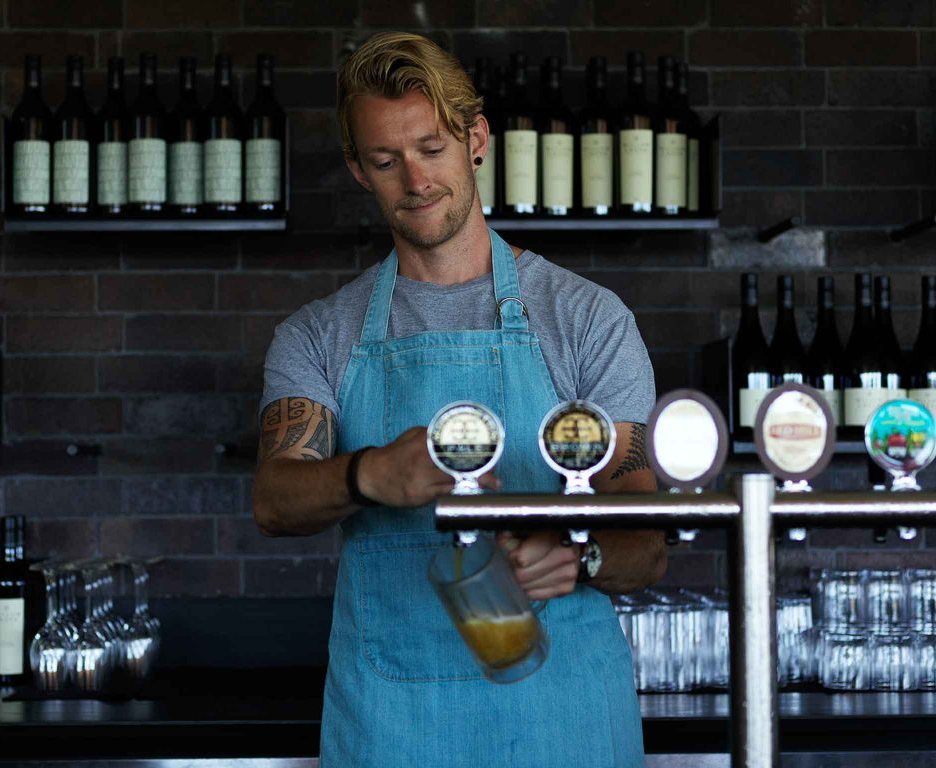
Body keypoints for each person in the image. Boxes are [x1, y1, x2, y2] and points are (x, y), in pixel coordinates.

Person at [253, 31, 666, 768]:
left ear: (476, 139)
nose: (415, 179)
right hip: (393, 729)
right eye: (386, 161)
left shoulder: (586, 319)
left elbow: (648, 537)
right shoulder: (318, 334)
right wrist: (367, 474)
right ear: (358, 169)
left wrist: (583, 557)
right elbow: (275, 499)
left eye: (432, 149)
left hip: (563, 732)